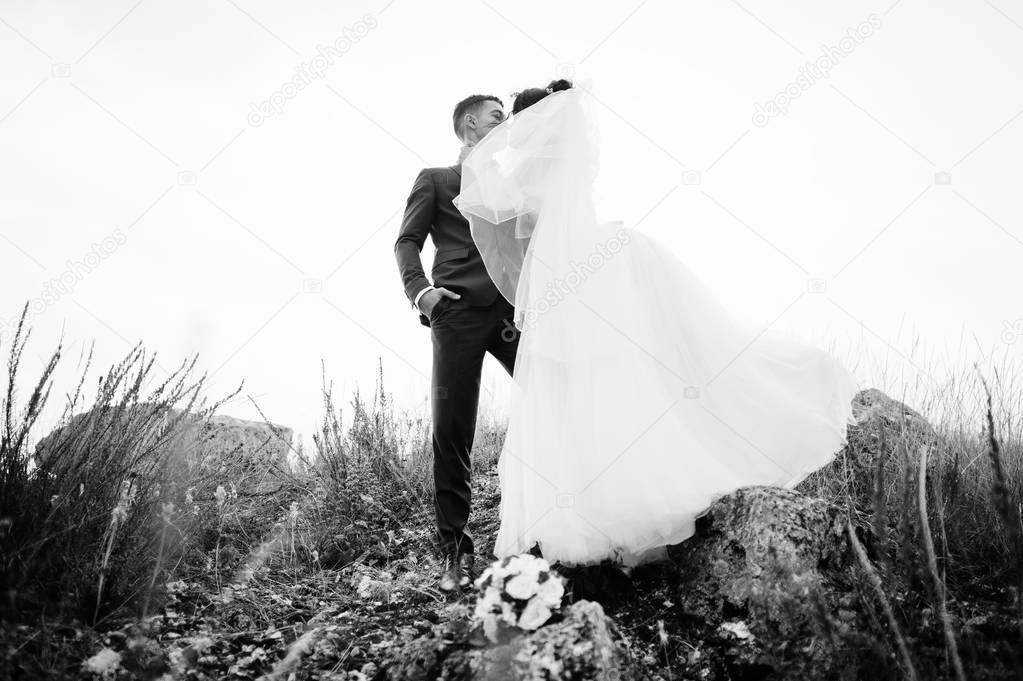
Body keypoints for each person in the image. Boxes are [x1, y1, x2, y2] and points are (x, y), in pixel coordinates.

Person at [453, 78, 861, 567]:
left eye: (518, 122)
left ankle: (595, 513)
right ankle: (623, 504)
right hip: (584, 266)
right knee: (614, 379)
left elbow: (492, 207)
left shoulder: (527, 172)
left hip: (565, 279)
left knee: (581, 387)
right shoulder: (567, 163)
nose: (513, 131)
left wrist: (478, 155)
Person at [394, 93, 521, 591]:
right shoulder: (436, 179)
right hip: (457, 311)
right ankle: (454, 551)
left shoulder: (510, 186)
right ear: (470, 124)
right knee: (453, 427)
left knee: (557, 391)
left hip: (513, 313)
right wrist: (421, 293)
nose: (505, 124)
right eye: (497, 117)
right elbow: (407, 240)